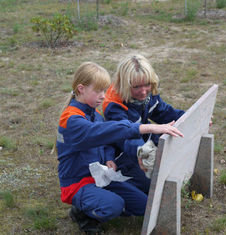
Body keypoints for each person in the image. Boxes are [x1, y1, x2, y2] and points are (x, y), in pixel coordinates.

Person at [56, 61, 183, 234]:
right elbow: (102, 131)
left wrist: (108, 157)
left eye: (105, 90)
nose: (103, 96)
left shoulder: (94, 113)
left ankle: (103, 200)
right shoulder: (71, 120)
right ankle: (83, 213)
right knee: (114, 205)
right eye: (98, 91)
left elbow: (106, 139)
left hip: (101, 175)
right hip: (77, 183)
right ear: (81, 89)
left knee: (144, 207)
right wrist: (149, 127)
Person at [102, 54, 185, 193]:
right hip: (123, 154)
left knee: (170, 173)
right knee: (154, 185)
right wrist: (142, 152)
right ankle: (115, 188)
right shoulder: (114, 107)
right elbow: (127, 138)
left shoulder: (146, 95)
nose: (144, 91)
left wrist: (192, 116)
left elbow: (164, 112)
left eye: (147, 84)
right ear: (125, 85)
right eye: (137, 87)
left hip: (144, 143)